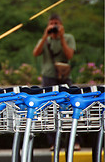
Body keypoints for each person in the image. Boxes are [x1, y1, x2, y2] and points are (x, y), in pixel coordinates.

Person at [33, 13, 80, 151]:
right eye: (51, 23)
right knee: (48, 109)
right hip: (48, 77)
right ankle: (53, 142)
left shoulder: (68, 37)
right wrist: (45, 36)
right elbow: (36, 53)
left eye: (56, 23)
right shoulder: (45, 39)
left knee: (70, 108)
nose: (54, 26)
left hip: (64, 76)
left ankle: (74, 140)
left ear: (61, 24)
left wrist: (61, 38)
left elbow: (69, 55)